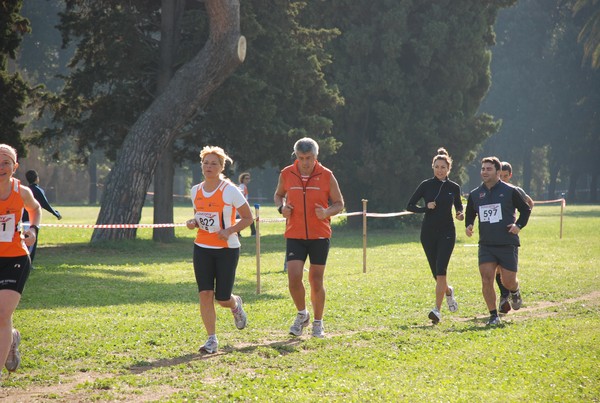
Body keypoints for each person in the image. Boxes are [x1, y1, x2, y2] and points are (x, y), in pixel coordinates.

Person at [185, 146, 254, 354]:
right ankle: (211, 340)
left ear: (221, 167)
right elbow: (200, 216)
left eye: (214, 163)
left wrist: (230, 230)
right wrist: (193, 222)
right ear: (201, 166)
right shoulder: (195, 190)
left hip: (227, 249)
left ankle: (235, 305)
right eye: (206, 163)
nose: (209, 167)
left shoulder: (230, 190)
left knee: (222, 298)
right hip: (202, 247)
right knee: (205, 293)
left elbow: (249, 218)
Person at [274, 137, 344, 338]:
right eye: (301, 157)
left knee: (315, 279)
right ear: (296, 156)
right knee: (294, 278)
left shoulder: (327, 175)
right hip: (295, 234)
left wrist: (327, 212)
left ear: (316, 156)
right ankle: (302, 314)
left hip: (319, 235)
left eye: (309, 158)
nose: (305, 162)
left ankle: (318, 322)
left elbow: (339, 203)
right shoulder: (287, 173)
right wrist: (282, 208)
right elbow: (278, 195)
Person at [465, 156, 532, 326]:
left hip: (507, 242)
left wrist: (518, 225)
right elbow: (470, 211)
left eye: (488, 169)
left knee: (507, 281)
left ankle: (515, 291)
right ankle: (493, 314)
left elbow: (526, 209)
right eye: (482, 169)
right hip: (486, 244)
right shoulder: (475, 194)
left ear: (497, 171)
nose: (484, 172)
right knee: (486, 279)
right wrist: (469, 225)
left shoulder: (511, 191)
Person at [406, 147, 464, 324]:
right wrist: (426, 207)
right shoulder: (426, 185)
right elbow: (410, 205)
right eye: (437, 166)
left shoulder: (454, 187)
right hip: (428, 234)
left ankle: (436, 311)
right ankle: (448, 291)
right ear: (433, 167)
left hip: (447, 232)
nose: (440, 170)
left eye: (443, 167)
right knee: (436, 275)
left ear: (448, 169)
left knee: (441, 271)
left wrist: (460, 214)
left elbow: (459, 207)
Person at [0, 144, 41, 376]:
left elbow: (35, 209)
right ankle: (11, 337)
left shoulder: (21, 192)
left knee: (2, 313)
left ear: (14, 167)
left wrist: (33, 229)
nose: (1, 167)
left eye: (6, 162)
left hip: (15, 257)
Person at [495, 161, 535, 314]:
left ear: (510, 175)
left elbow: (529, 203)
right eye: (501, 175)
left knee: (507, 271)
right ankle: (504, 297)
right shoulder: (492, 189)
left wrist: (519, 223)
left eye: (506, 176)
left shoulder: (515, 190)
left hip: (509, 234)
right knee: (496, 269)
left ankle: (511, 293)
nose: (503, 179)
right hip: (493, 234)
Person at [22, 170, 62, 265]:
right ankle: (28, 264)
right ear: (37, 178)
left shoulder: (26, 190)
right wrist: (55, 213)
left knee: (26, 241)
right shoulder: (37, 190)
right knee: (31, 243)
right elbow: (45, 204)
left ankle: (26, 263)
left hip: (23, 220)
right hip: (32, 221)